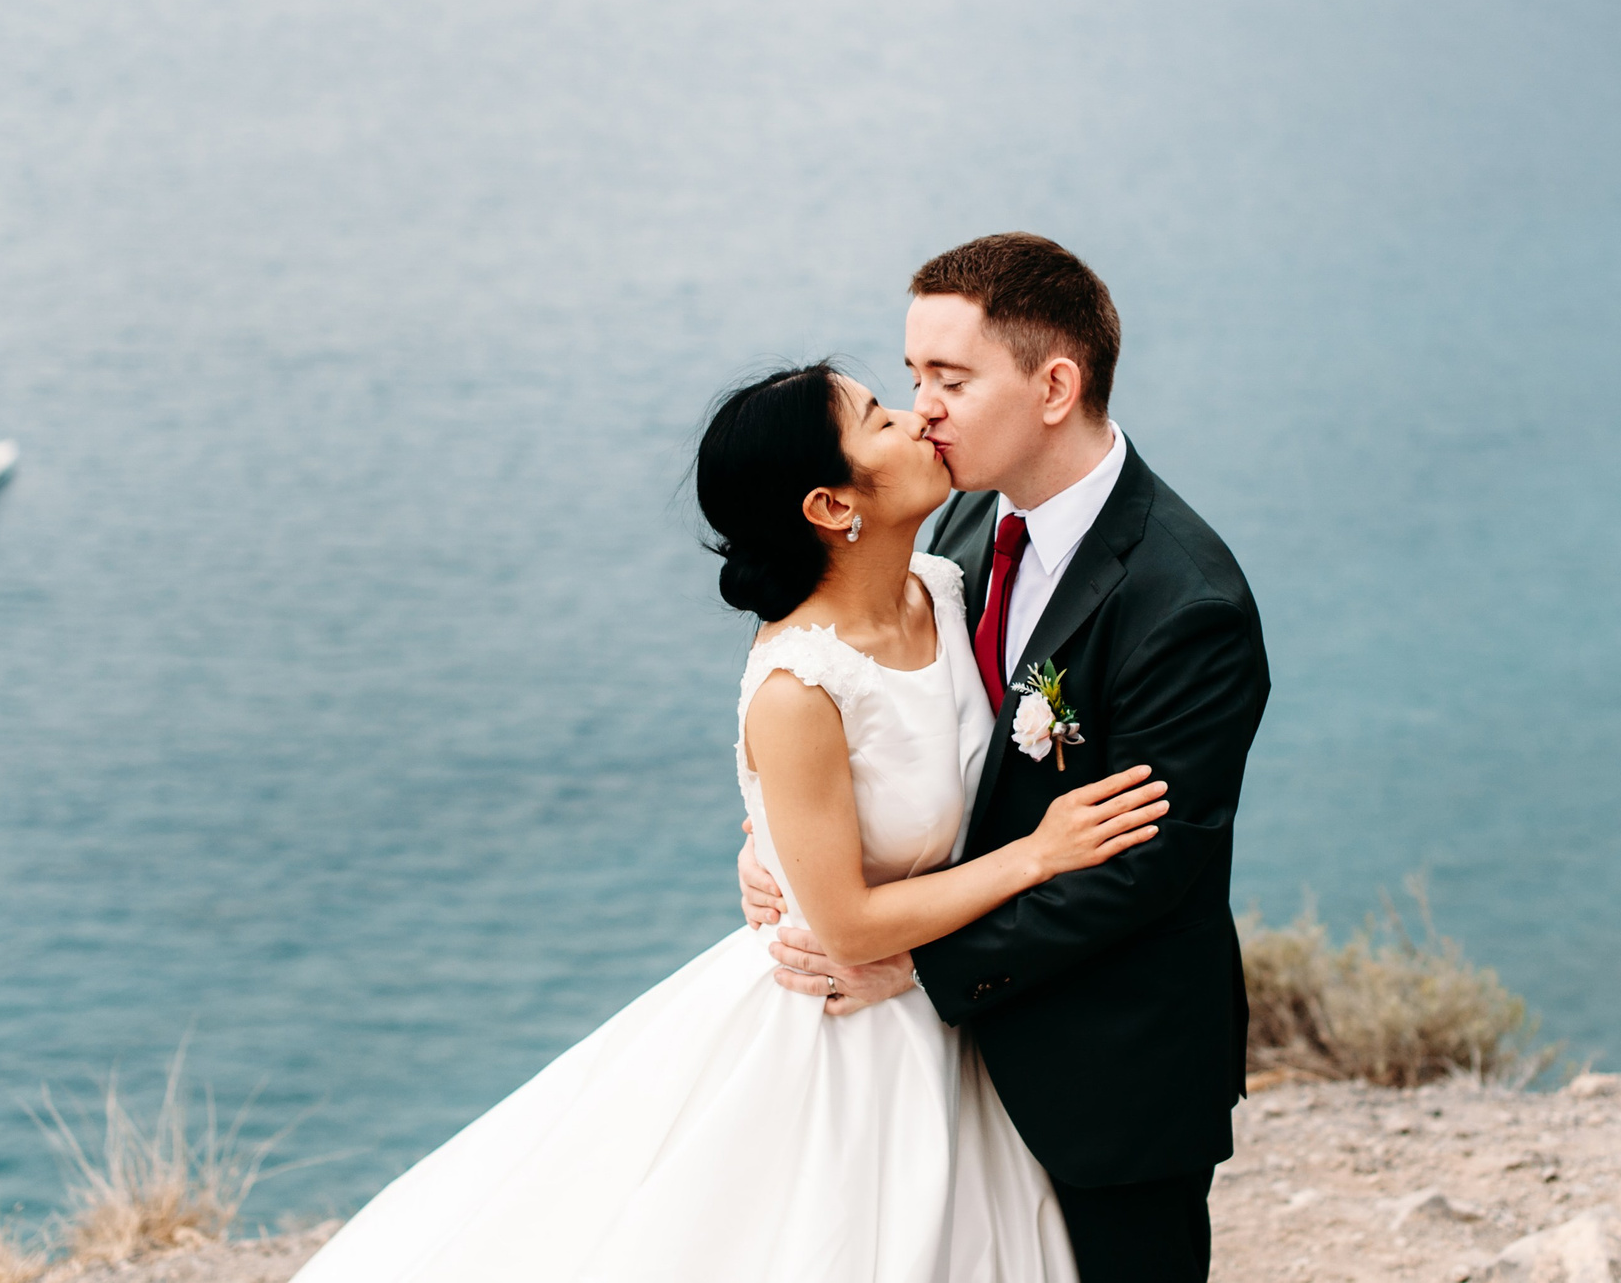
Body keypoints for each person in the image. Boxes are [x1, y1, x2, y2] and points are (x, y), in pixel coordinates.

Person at [291, 360, 1171, 1283]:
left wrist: (767, 844)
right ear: (833, 507)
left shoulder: (942, 587)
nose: (917, 420)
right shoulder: (799, 686)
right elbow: (847, 927)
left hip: (955, 1015)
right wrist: (1037, 856)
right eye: (880, 420)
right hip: (847, 1030)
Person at [741, 233, 1272, 1283]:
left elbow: (1143, 869)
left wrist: (908, 961)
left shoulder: (1187, 603)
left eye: (950, 379)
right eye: (910, 380)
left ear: (1053, 386)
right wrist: (778, 849)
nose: (922, 409)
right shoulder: (957, 536)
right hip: (932, 1072)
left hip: (1104, 1072)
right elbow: (870, 725)